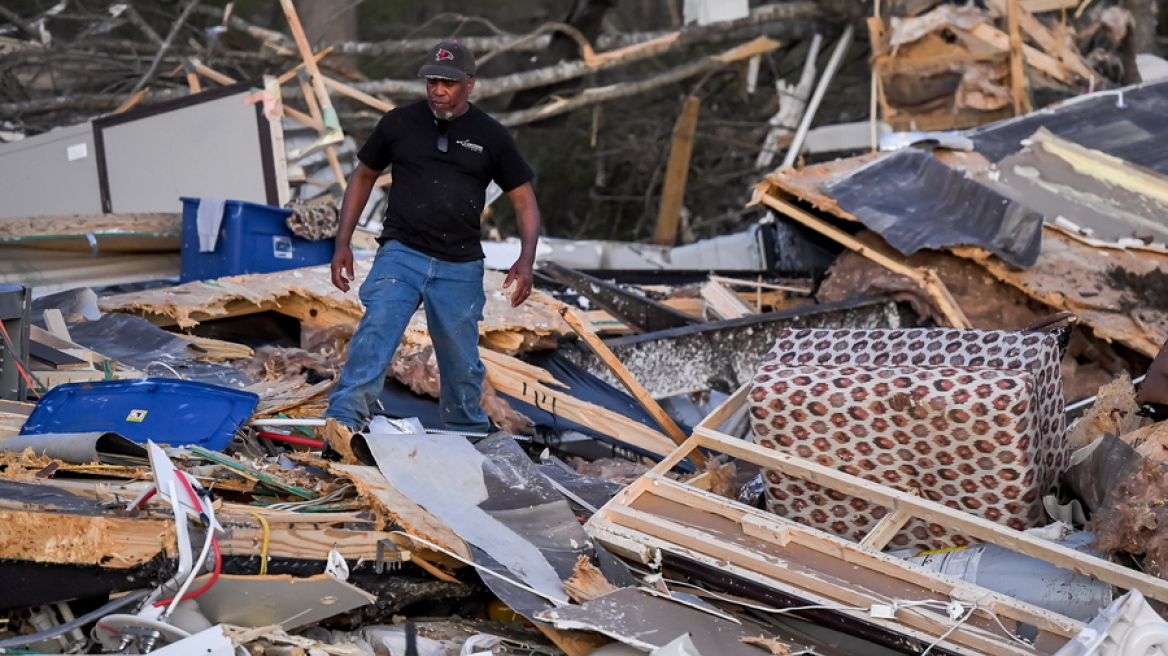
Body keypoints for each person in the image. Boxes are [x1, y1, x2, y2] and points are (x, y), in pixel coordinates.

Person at [324, 40, 541, 434]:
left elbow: (524, 200)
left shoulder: (491, 136)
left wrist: (526, 259)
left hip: (459, 264)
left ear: (469, 84)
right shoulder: (398, 123)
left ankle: (467, 432)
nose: (438, 90)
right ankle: (343, 421)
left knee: (460, 359)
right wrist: (343, 241)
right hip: (401, 252)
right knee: (376, 332)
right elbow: (364, 176)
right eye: (432, 81)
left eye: (448, 83)